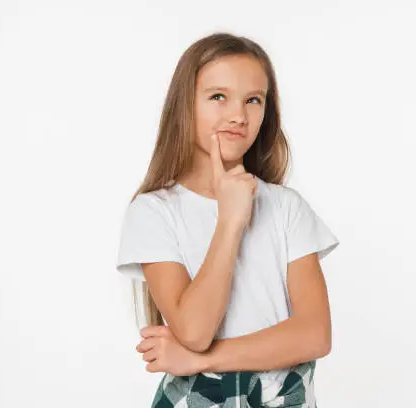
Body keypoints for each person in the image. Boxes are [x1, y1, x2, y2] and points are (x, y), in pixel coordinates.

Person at [116, 32, 340, 407]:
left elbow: (315, 335)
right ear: (185, 104)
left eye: (253, 100)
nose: (238, 115)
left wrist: (201, 360)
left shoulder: (286, 207)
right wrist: (230, 221)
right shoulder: (153, 211)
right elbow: (194, 330)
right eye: (218, 96)